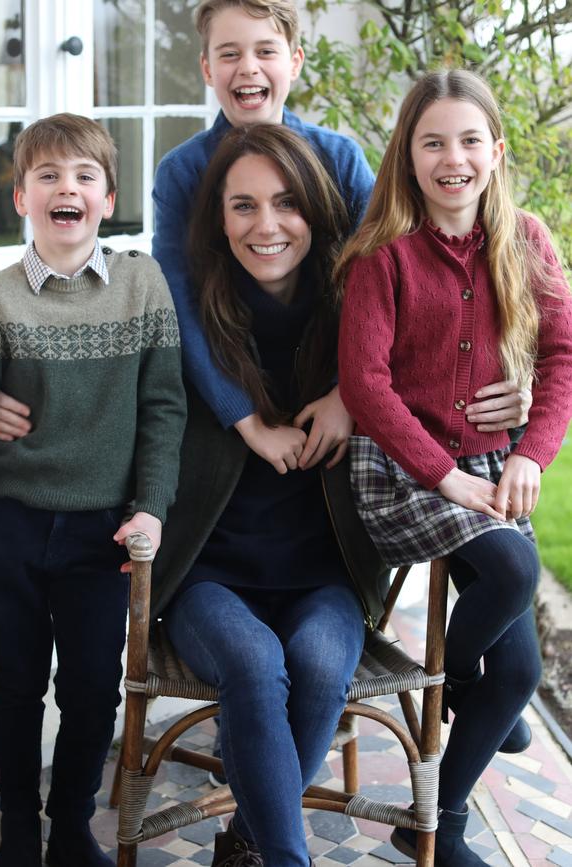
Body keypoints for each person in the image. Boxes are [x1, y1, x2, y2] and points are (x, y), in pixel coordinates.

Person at [0, 0, 530, 455]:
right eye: (229, 54)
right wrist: (244, 418)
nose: (247, 67)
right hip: (226, 394)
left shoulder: (339, 158)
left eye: (265, 51)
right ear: (206, 69)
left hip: (330, 390)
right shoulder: (183, 172)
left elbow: (399, 280)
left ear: (294, 62)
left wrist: (349, 395)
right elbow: (176, 306)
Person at [0, 113, 186, 867]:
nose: (65, 187)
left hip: (104, 531)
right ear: (21, 198)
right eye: (48, 176)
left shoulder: (142, 285)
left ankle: (71, 826)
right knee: (14, 684)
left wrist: (152, 504)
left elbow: (165, 409)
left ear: (107, 199)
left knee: (93, 688)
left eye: (83, 177)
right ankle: (15, 830)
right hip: (12, 524)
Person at [336, 69, 572, 867]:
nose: (453, 158)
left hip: (490, 464)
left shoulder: (528, 240)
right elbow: (365, 386)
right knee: (510, 568)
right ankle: (457, 673)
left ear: (496, 151)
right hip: (402, 468)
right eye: (433, 141)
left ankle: (439, 822)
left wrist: (533, 452)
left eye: (470, 140)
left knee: (520, 673)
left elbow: (562, 353)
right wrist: (445, 474)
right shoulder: (383, 258)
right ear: (408, 155)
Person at [151, 122, 373, 867]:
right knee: (253, 664)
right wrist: (8, 403)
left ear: (316, 208)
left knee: (315, 665)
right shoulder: (188, 323)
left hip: (322, 570)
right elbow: (106, 392)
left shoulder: (357, 319)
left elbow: (454, 351)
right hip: (209, 574)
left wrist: (524, 391)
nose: (266, 225)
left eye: (286, 203)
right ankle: (286, 856)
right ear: (218, 218)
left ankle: (249, 836)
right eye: (242, 206)